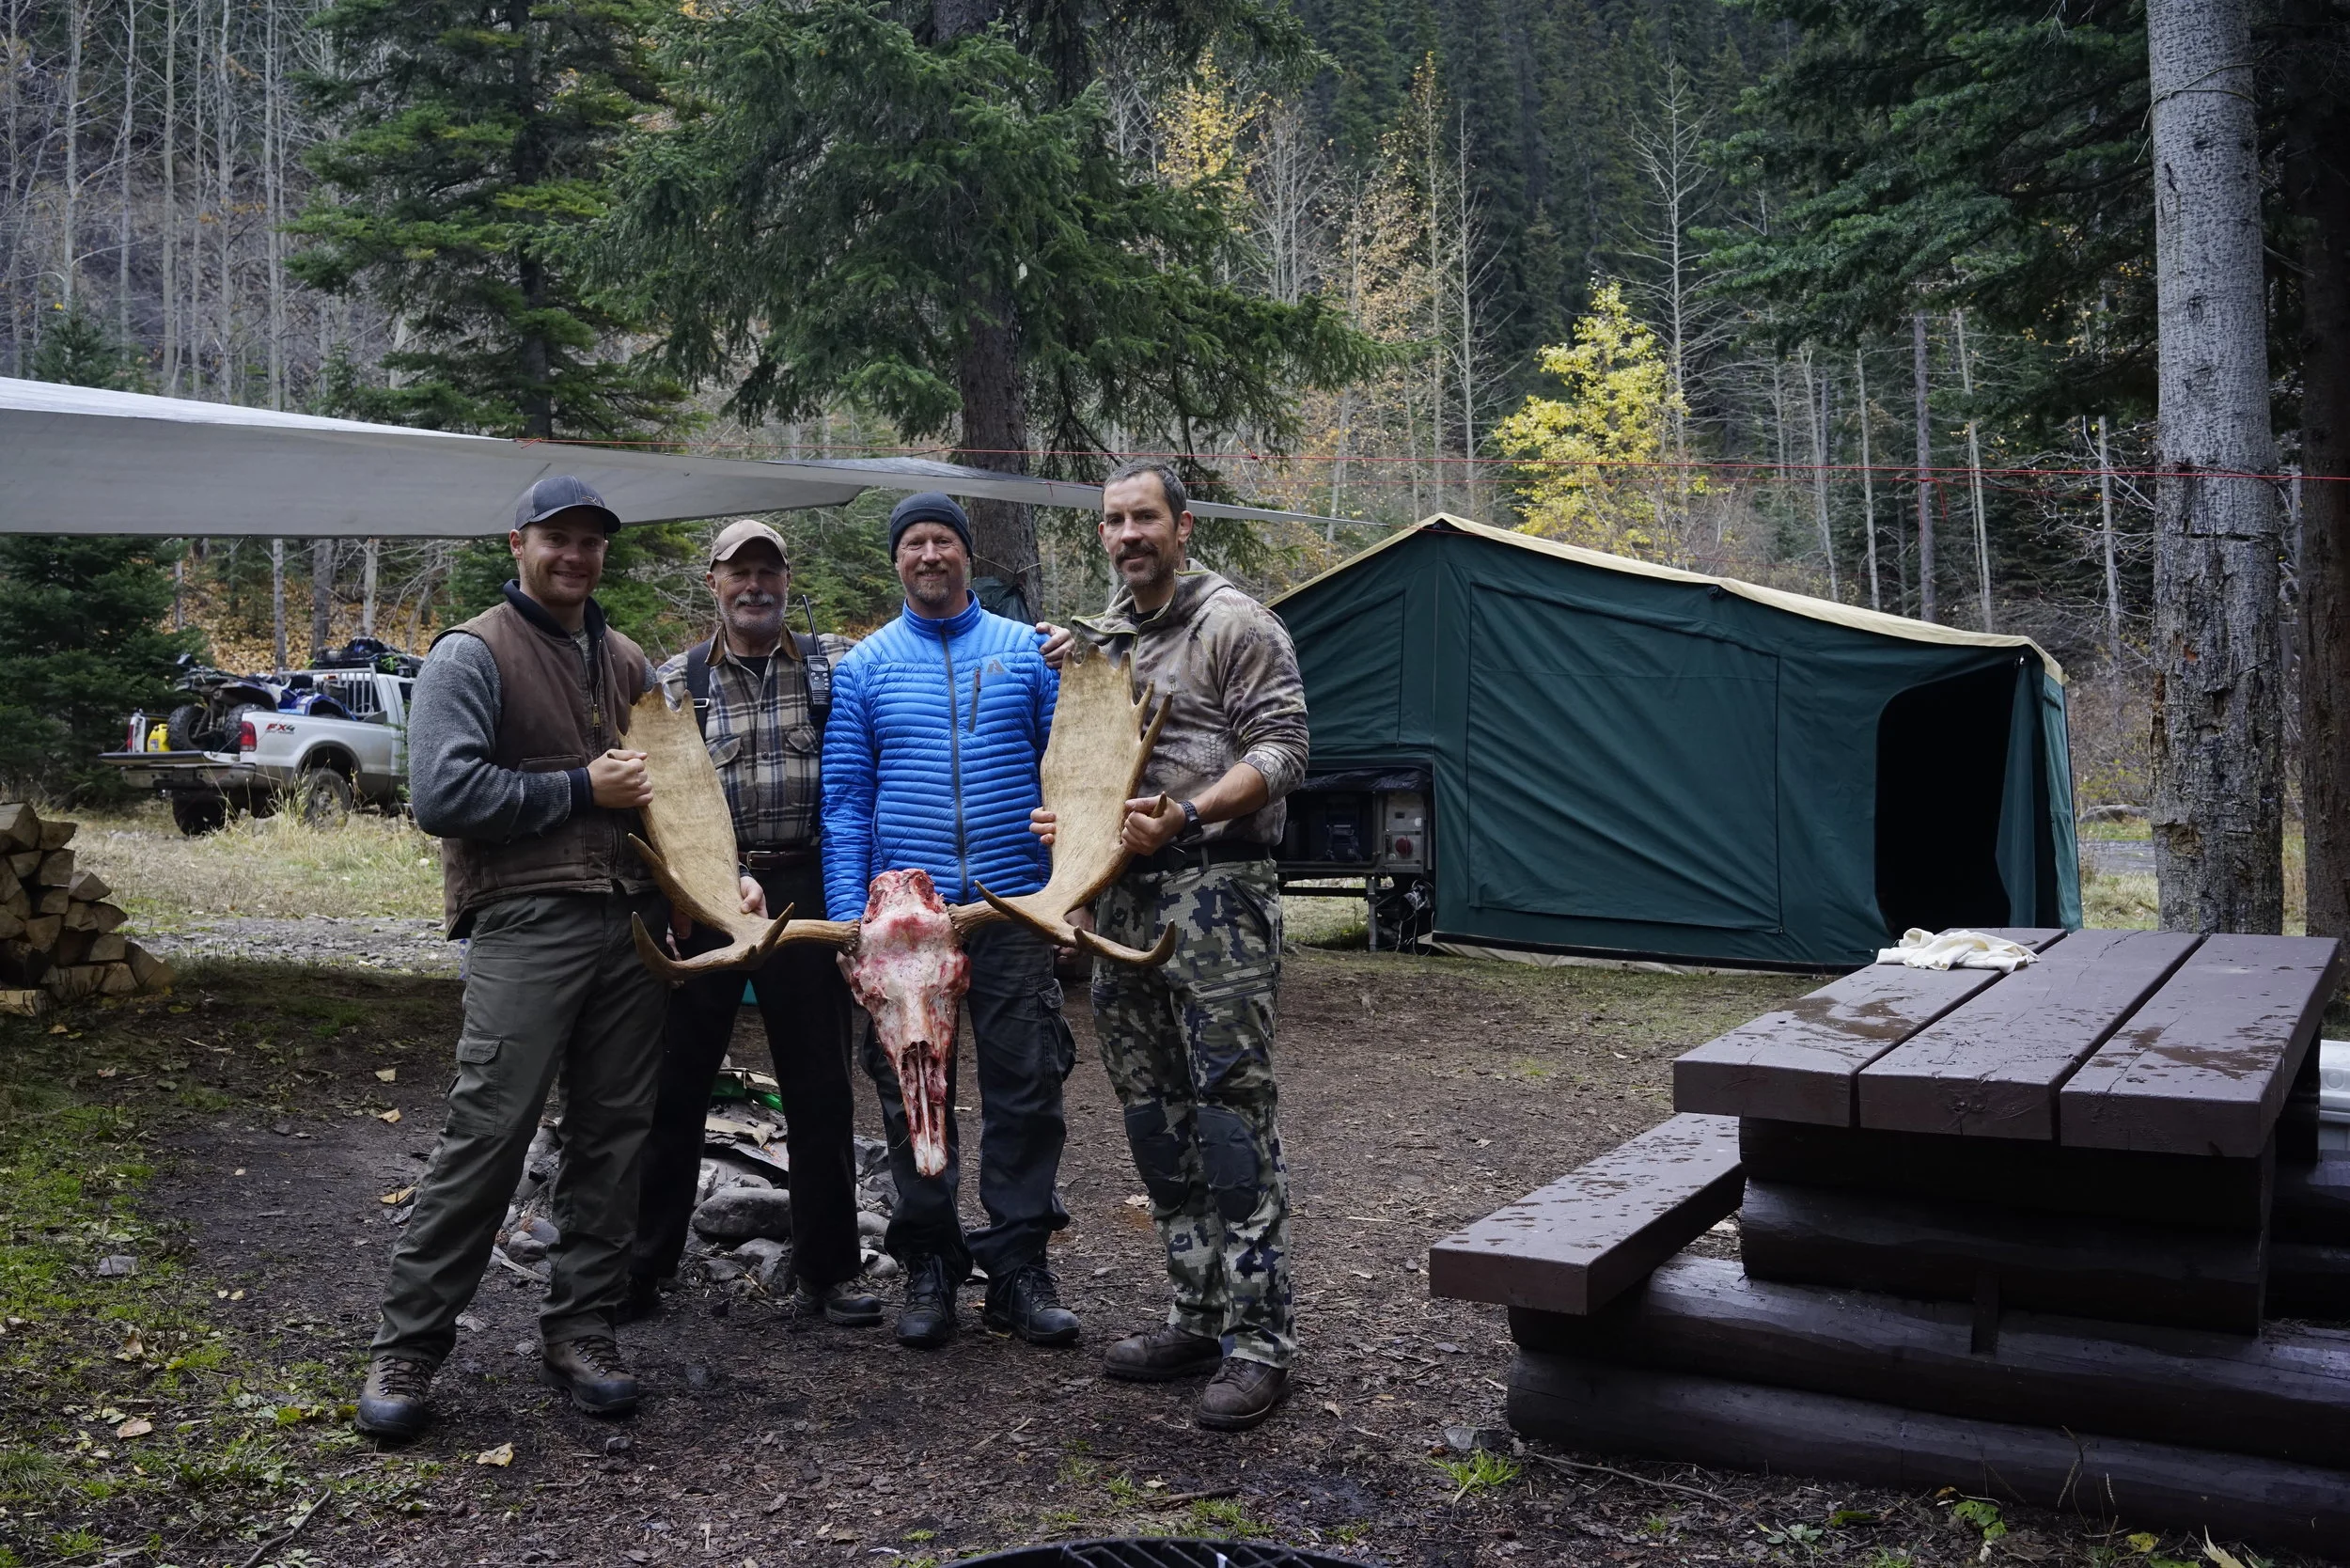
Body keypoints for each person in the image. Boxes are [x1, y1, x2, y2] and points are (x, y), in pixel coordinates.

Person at [356, 475, 668, 1440]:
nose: (575, 556)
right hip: (525, 920)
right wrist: (580, 789)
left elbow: (669, 800)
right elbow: (442, 796)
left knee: (615, 1136)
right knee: (488, 1132)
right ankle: (409, 1346)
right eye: (558, 539)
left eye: (591, 542)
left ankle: (580, 1327)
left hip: (629, 925)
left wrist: (706, 883)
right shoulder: (471, 651)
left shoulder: (626, 660)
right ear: (518, 543)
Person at [1033, 460, 1309, 1432]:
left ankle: (1262, 1342)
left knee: (1230, 1116)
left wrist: (1185, 814)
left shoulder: (1233, 624)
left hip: (1218, 891)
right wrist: (1070, 848)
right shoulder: (1107, 641)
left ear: (1182, 526)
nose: (1126, 534)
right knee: (1154, 1118)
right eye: (1112, 521)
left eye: (1143, 517)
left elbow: (1282, 753)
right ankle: (1195, 1313)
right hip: (1125, 900)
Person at [822, 491, 1079, 1351]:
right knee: (913, 1095)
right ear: (896, 560)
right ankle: (929, 1262)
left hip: (1009, 908)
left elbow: (1067, 776)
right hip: (906, 925)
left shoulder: (1029, 653)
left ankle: (1016, 1269)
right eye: (914, 544)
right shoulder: (865, 667)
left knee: (1026, 1090)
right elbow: (848, 802)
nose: (929, 555)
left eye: (944, 541)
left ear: (968, 556)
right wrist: (846, 918)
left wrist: (1065, 882)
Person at [626, 520, 884, 1328]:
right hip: (707, 898)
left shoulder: (840, 663)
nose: (755, 586)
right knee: (675, 1085)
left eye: (767, 571)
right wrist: (679, 893)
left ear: (784, 578)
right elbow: (651, 797)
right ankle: (644, 1265)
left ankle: (830, 1270)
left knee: (820, 1089)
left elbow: (915, 665)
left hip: (805, 890)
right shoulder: (673, 683)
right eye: (739, 573)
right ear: (713, 584)